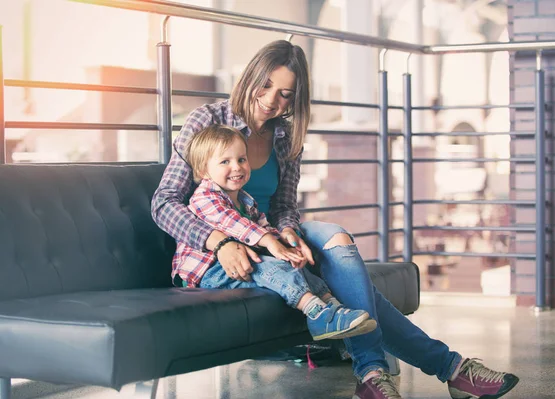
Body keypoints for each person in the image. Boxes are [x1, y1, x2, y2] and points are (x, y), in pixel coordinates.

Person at [152, 40, 520, 399]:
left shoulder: (286, 134)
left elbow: (283, 205)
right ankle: (427, 370)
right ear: (250, 77)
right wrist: (220, 242)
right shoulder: (209, 119)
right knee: (354, 286)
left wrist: (288, 232)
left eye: (284, 93)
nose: (271, 100)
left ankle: (390, 373)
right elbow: (164, 202)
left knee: (338, 239)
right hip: (223, 241)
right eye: (265, 85)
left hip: (268, 232)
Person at [172, 123, 377, 341]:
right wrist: (270, 243)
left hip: (239, 261)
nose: (237, 167)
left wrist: (286, 247)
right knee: (269, 266)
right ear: (204, 171)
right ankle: (318, 315)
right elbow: (234, 224)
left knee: (296, 264)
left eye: (241, 159)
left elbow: (264, 227)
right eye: (225, 162)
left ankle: (334, 308)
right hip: (208, 270)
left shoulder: (244, 200)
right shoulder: (204, 197)